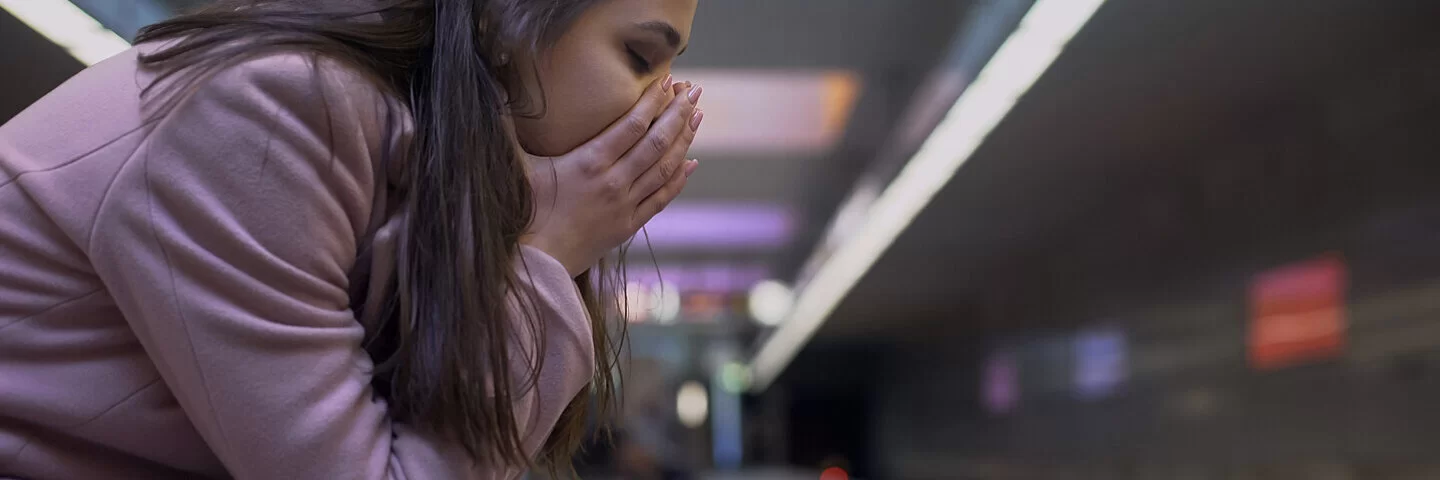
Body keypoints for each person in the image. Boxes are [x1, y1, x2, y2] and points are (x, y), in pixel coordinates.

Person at [0, 0, 701, 478]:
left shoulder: (429, 166)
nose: (663, 101)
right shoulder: (276, 116)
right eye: (641, 56)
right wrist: (548, 254)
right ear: (500, 19)